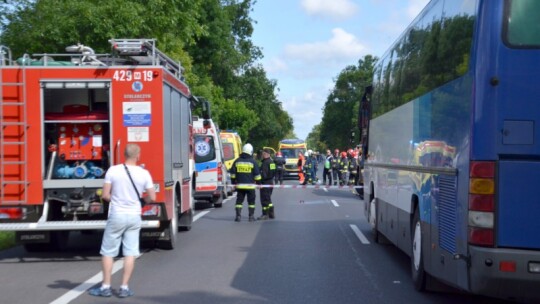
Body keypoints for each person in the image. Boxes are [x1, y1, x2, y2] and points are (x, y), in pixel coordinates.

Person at [89, 143, 156, 298]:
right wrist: (141, 202)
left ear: (124, 155)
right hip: (134, 215)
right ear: (138, 156)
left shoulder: (113, 170)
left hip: (117, 214)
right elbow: (152, 197)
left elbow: (105, 195)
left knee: (108, 252)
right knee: (130, 252)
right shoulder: (144, 173)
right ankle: (124, 287)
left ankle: (105, 286)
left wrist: (117, 200)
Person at [230, 143, 261, 222]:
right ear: (250, 151)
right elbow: (257, 175)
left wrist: (233, 183)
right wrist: (259, 184)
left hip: (240, 186)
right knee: (251, 202)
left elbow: (232, 174)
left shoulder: (237, 161)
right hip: (250, 186)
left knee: (239, 201)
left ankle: (238, 216)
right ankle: (251, 217)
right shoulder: (253, 162)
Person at [258, 149, 276, 220]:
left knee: (264, 200)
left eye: (263, 154)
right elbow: (273, 172)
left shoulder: (265, 163)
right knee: (268, 199)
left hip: (265, 183)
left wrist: (260, 182)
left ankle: (265, 214)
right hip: (270, 182)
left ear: (265, 154)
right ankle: (271, 214)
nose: (262, 155)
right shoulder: (272, 162)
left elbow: (263, 174)